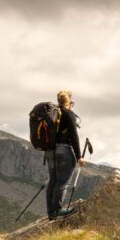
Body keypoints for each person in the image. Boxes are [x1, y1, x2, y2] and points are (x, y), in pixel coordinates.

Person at [45, 90, 86, 219]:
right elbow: (74, 135)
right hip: (64, 150)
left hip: (50, 151)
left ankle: (51, 212)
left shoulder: (52, 114)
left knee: (53, 180)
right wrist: (79, 156)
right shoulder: (68, 114)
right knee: (62, 182)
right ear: (70, 101)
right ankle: (57, 210)